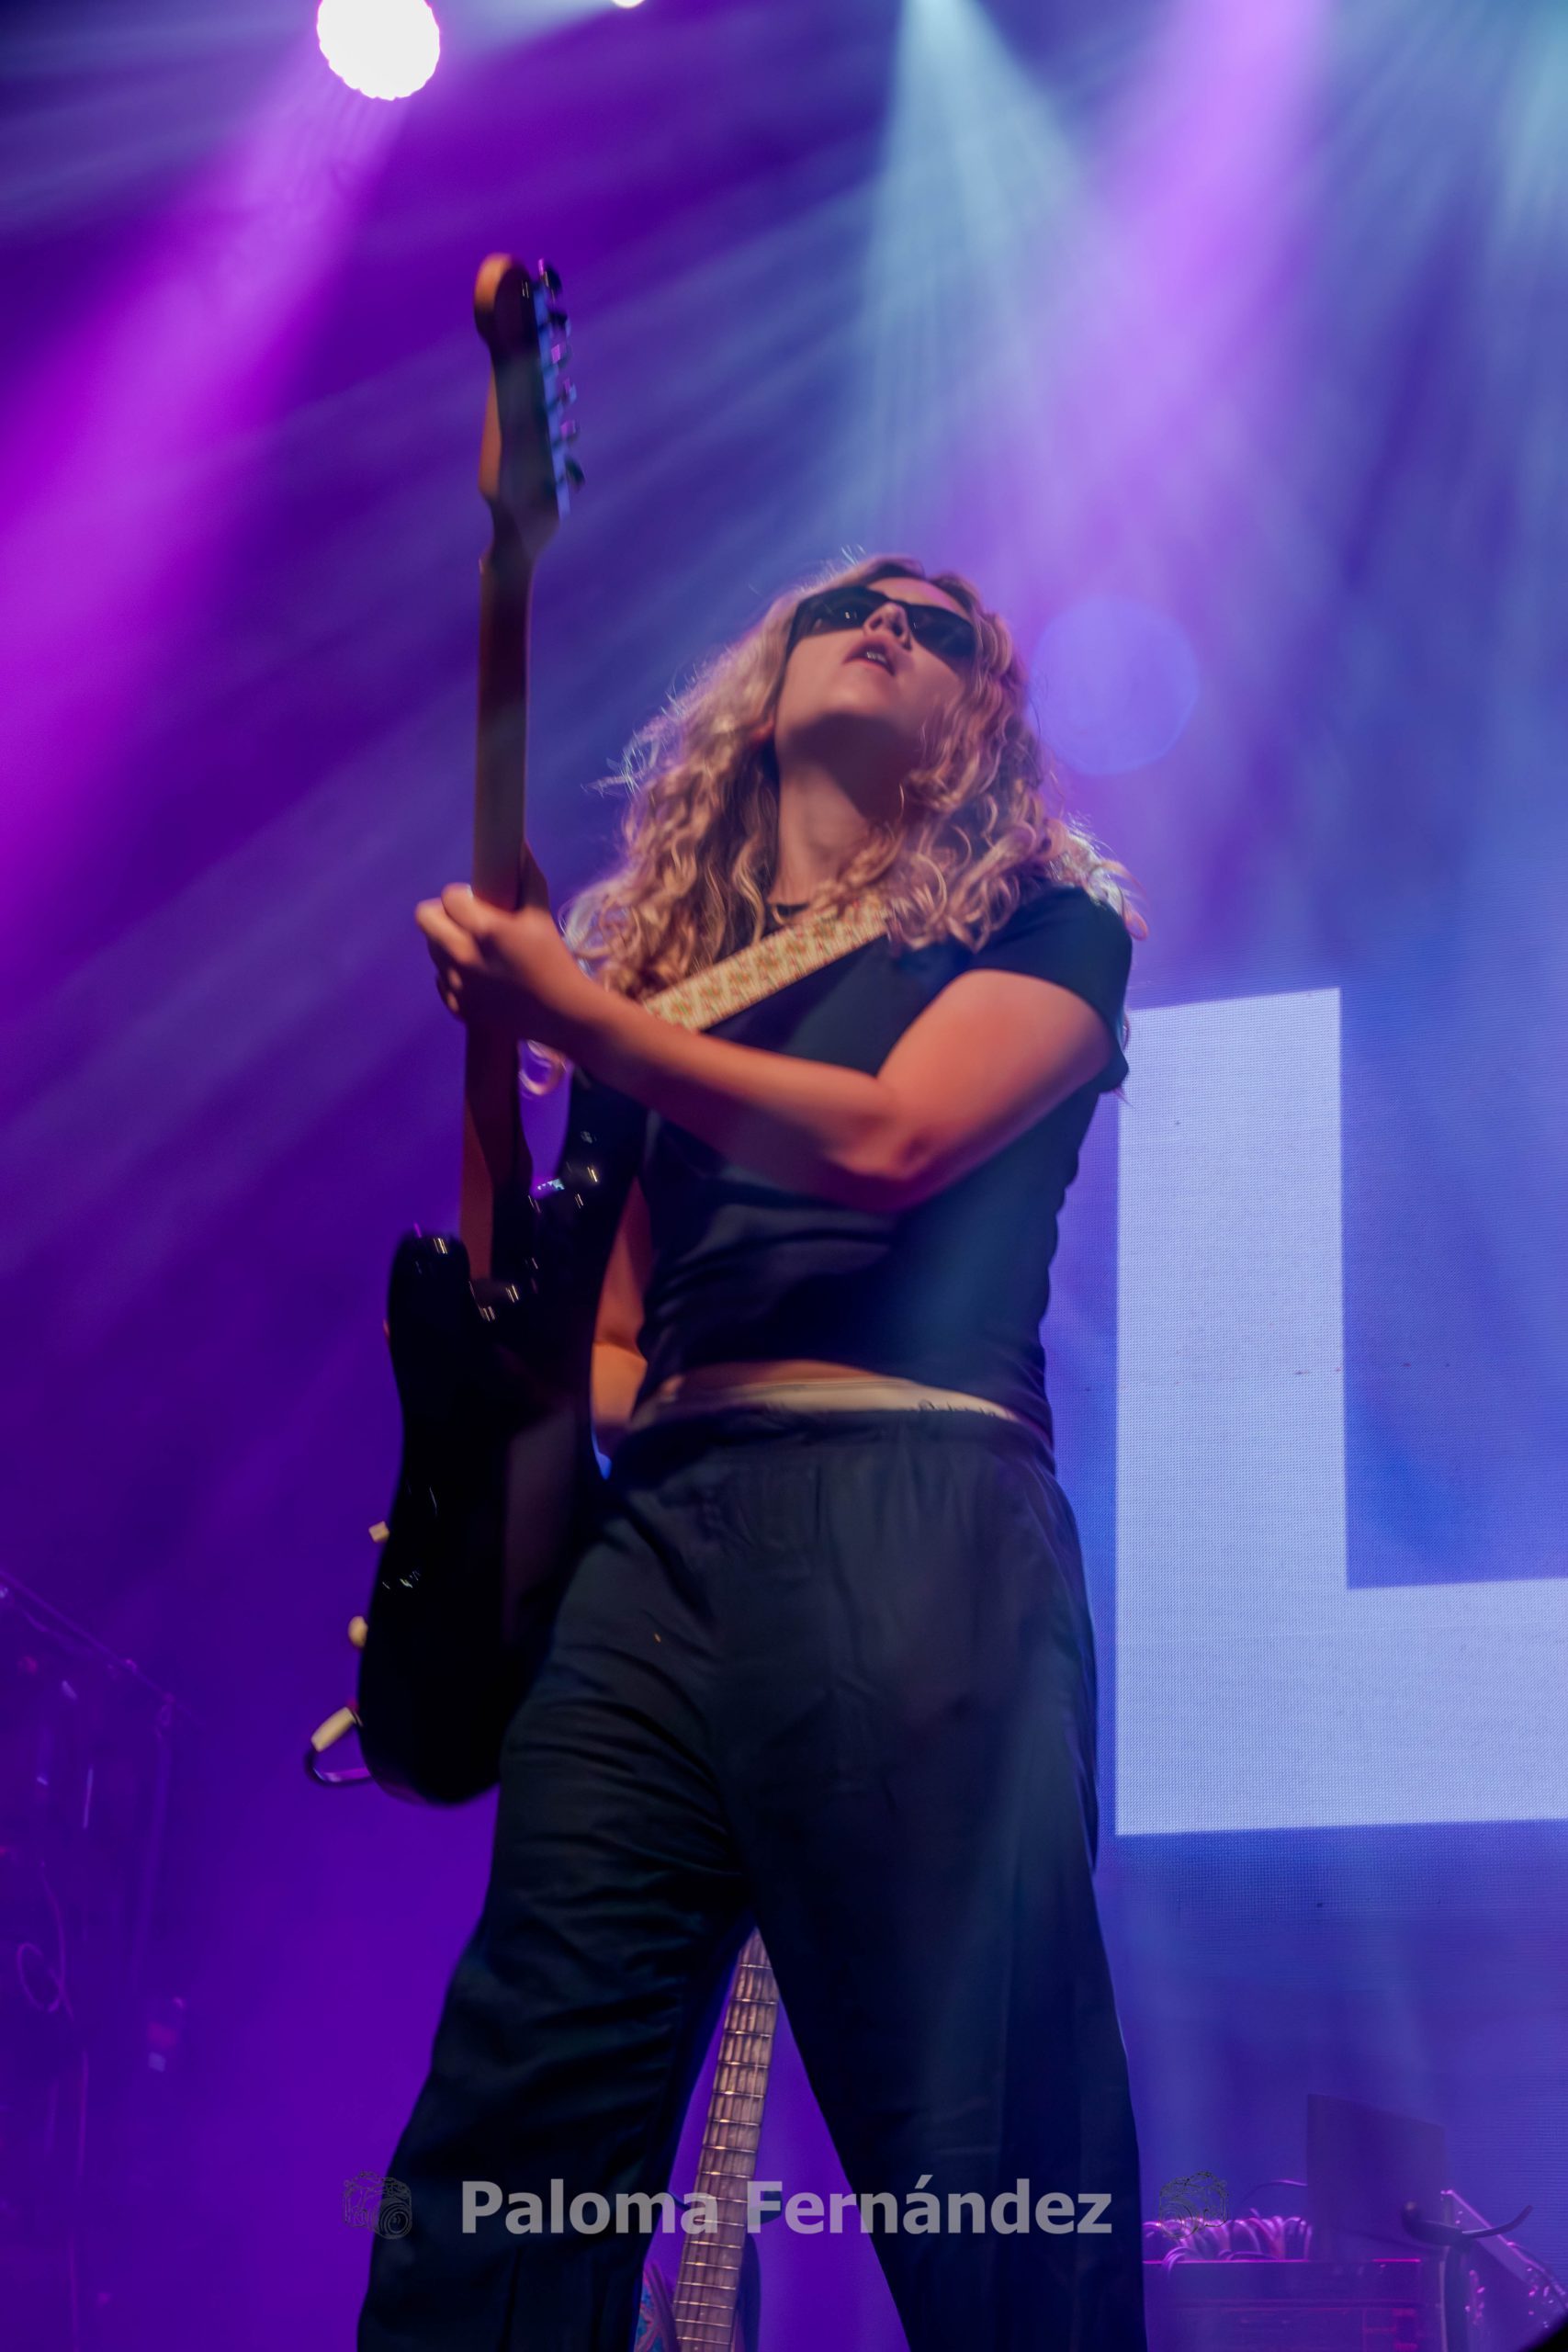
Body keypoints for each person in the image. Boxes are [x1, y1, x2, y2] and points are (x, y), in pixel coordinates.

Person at [359, 554, 1150, 2350]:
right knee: (518, 2108)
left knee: (985, 2130)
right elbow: (612, 1340)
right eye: (847, 608)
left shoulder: (1050, 923)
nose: (886, 626)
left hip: (917, 1523)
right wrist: (495, 1442)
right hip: (659, 1557)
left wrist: (578, 1016)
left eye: (937, 630)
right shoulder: (669, 993)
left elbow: (889, 1140)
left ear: (977, 719)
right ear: (763, 683)